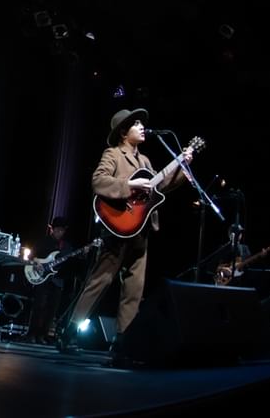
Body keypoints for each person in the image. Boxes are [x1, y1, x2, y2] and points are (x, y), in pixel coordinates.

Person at [61, 108, 192, 355]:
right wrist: (129, 184)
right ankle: (70, 331)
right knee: (101, 281)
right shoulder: (113, 154)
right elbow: (99, 181)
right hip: (118, 228)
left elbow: (159, 188)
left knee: (134, 288)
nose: (142, 127)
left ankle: (123, 341)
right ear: (123, 132)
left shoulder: (145, 161)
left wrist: (181, 168)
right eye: (136, 124)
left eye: (142, 123)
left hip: (140, 230)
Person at [26, 216, 72, 344]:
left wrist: (83, 252)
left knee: (52, 310)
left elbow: (70, 261)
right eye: (57, 230)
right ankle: (32, 334)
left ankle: (43, 335)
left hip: (58, 280)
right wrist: (36, 263)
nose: (59, 232)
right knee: (39, 306)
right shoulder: (43, 241)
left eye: (62, 230)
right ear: (52, 229)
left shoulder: (66, 246)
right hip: (42, 279)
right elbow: (31, 256)